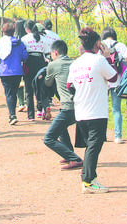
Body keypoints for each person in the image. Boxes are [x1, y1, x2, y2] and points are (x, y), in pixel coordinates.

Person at [67, 28, 118, 193]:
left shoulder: (76, 63)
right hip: (96, 111)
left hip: (80, 110)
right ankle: (88, 182)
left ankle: (88, 176)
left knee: (91, 146)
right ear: (98, 44)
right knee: (94, 146)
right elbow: (114, 77)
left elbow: (69, 86)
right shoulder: (99, 61)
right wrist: (108, 58)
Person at [43, 39, 84, 170]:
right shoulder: (75, 62)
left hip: (68, 107)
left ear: (55, 52)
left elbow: (47, 83)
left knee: (48, 138)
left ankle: (75, 159)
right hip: (80, 105)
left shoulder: (54, 65)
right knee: (61, 128)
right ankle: (68, 153)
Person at [101, 26, 127, 144]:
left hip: (103, 81)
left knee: (102, 109)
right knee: (116, 109)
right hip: (116, 81)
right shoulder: (121, 45)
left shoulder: (101, 45)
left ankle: (102, 135)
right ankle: (118, 136)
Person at [0, 22, 28, 125]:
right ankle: (12, 114)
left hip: (5, 72)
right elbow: (25, 56)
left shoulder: (1, 43)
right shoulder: (19, 43)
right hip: (17, 71)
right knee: (13, 93)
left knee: (9, 94)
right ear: (13, 31)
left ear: (3, 32)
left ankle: (12, 115)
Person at [21, 20, 48, 121]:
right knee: (41, 87)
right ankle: (42, 110)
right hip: (41, 62)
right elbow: (46, 52)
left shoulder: (24, 38)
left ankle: (31, 115)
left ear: (27, 29)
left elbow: (22, 52)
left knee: (28, 90)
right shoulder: (43, 38)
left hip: (29, 63)